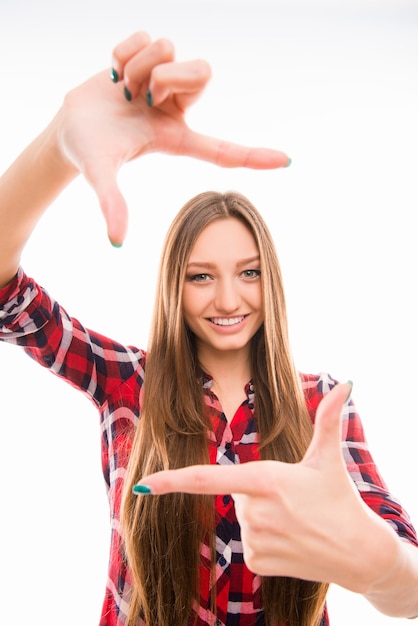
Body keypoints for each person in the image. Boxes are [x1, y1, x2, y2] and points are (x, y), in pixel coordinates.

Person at [0, 30, 417, 626]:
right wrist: (54, 147)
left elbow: (409, 576)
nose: (228, 299)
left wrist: (382, 567)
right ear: (174, 286)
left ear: (270, 279)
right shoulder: (125, 382)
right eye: (201, 277)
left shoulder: (321, 406)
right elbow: (7, 298)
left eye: (248, 272)